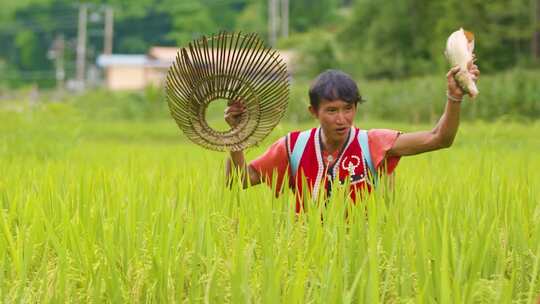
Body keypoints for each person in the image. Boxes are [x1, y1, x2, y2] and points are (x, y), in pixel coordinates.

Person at [225, 65, 480, 212]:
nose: (342, 119)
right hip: (306, 257)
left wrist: (454, 97)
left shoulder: (374, 143)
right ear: (314, 112)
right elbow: (238, 182)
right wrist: (236, 136)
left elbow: (439, 139)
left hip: (363, 260)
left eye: (348, 109)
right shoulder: (294, 147)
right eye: (332, 110)